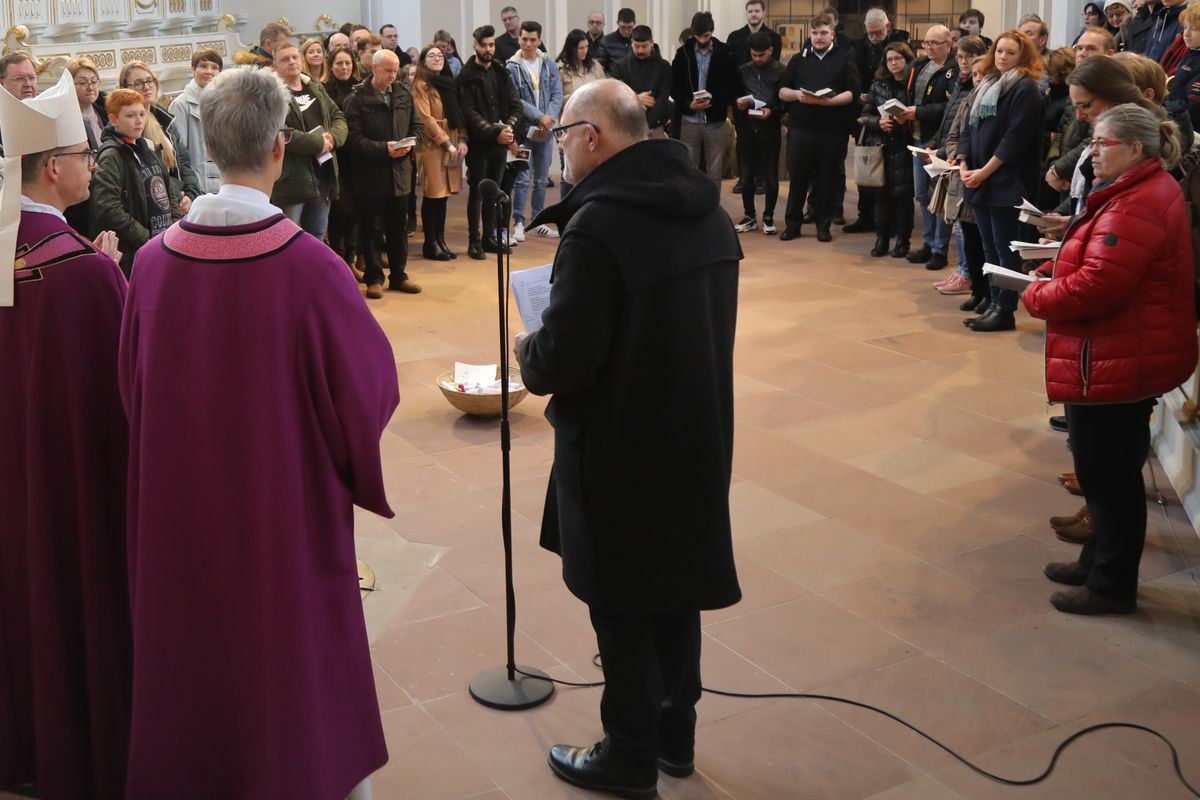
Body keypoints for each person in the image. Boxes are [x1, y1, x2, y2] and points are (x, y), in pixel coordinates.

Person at [119, 65, 397, 800]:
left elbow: (131, 391)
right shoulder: (312, 268)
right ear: (281, 148)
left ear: (208, 147)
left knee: (194, 656)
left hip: (179, 515)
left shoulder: (149, 265)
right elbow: (368, 391)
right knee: (290, 658)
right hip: (285, 514)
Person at [514, 78, 741, 799]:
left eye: (561, 138)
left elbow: (565, 363)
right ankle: (676, 737)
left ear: (591, 136)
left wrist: (529, 349)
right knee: (675, 588)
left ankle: (628, 755)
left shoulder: (601, 225)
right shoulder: (709, 211)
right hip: (696, 431)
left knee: (619, 601)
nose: (560, 151)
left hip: (619, 445)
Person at [0, 67, 131, 800]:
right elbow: (123, 393)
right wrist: (111, 279)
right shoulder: (82, 273)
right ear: (54, 169)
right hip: (73, 488)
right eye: (86, 153)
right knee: (74, 604)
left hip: (13, 476)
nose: (92, 162)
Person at [1024, 103, 1196, 615]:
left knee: (1111, 478)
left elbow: (1100, 285)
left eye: (1102, 143)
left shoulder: (1138, 202)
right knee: (1102, 470)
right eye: (1093, 142)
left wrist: (1038, 295)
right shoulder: (1134, 190)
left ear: (1136, 149)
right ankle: (1096, 561)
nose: (1091, 152)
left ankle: (1112, 585)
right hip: (1118, 349)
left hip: (1122, 353)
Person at [957, 30, 1045, 333]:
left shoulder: (1025, 89)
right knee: (988, 247)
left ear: (1023, 56)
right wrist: (964, 164)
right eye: (999, 51)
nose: (1002, 57)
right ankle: (994, 303)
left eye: (1010, 52)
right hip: (979, 178)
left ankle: (1005, 310)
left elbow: (1014, 139)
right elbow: (969, 127)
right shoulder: (989, 84)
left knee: (1004, 249)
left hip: (1006, 180)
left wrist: (984, 172)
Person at [345, 49, 423, 298]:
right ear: (374, 68)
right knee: (371, 229)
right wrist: (383, 150)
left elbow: (417, 126)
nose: (393, 75)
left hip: (400, 174)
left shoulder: (402, 93)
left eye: (395, 70)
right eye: (388, 70)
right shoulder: (357, 98)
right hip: (371, 175)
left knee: (398, 228)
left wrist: (412, 143)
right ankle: (374, 278)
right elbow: (353, 140)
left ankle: (399, 275)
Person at [778, 13, 861, 242]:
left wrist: (828, 101)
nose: (819, 37)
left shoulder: (844, 58)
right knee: (798, 179)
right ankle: (793, 225)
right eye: (815, 33)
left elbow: (852, 92)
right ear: (810, 35)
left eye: (823, 33)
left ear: (832, 34)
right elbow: (782, 90)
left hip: (831, 131)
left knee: (827, 178)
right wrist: (797, 94)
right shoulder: (798, 59)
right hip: (801, 129)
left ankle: (823, 225)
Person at [92, 88, 181, 275]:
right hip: (137, 251)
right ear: (114, 119)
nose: (139, 121)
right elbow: (107, 207)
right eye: (131, 115)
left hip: (163, 241)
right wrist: (146, 238)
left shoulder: (148, 147)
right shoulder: (111, 155)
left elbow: (167, 189)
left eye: (142, 114)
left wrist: (174, 225)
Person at [930, 35, 991, 298]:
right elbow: (953, 127)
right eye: (961, 57)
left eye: (981, 73)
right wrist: (948, 150)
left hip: (974, 169)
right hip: (960, 162)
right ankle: (965, 270)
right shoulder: (962, 88)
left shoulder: (983, 97)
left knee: (970, 229)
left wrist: (957, 154)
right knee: (959, 224)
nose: (964, 63)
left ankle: (970, 276)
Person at [457, 24, 523, 260]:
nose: (488, 49)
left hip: (499, 142)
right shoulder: (465, 76)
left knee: (494, 191)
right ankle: (474, 241)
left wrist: (509, 129)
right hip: (478, 144)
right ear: (474, 45)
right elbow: (469, 113)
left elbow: (516, 105)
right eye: (483, 45)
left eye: (491, 44)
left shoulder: (501, 71)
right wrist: (496, 132)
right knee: (477, 192)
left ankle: (488, 237)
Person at [271, 41, 346, 240]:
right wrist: (318, 142)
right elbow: (281, 133)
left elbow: (337, 115)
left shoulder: (315, 87)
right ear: (276, 66)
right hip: (292, 181)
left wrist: (333, 138)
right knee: (288, 240)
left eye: (295, 57)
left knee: (317, 237)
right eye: (285, 59)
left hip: (324, 176)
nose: (292, 62)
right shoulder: (272, 95)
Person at [846, 7, 911, 234]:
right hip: (868, 109)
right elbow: (852, 70)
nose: (873, 37)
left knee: (894, 175)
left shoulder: (900, 45)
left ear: (888, 27)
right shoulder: (858, 46)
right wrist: (860, 93)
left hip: (895, 119)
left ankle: (890, 221)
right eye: (870, 33)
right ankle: (866, 217)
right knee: (868, 167)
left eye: (877, 33)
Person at [899, 24, 958, 269]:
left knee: (939, 195)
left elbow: (949, 108)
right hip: (917, 138)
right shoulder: (918, 66)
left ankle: (939, 248)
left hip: (939, 142)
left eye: (935, 43)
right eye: (926, 43)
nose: (929, 47)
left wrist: (918, 112)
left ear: (949, 44)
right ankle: (927, 242)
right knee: (922, 194)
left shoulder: (953, 70)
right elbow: (910, 97)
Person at [508, 20, 563, 242]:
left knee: (541, 179)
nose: (528, 43)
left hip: (545, 132)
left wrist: (548, 117)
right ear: (519, 39)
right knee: (522, 179)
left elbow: (557, 93)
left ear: (539, 40)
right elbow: (516, 100)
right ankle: (519, 222)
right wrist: (540, 116)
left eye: (533, 40)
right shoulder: (512, 66)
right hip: (524, 132)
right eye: (524, 39)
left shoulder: (548, 63)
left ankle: (538, 220)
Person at [120, 61, 200, 213]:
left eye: (149, 80)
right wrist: (178, 196)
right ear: (126, 89)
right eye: (138, 83)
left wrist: (191, 194)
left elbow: (183, 163)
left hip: (181, 201)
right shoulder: (131, 127)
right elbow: (148, 173)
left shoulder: (165, 119)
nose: (146, 86)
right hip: (158, 206)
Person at [862, 41, 917, 258]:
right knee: (881, 198)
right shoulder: (878, 85)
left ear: (907, 59)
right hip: (882, 146)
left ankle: (903, 241)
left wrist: (906, 119)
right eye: (889, 59)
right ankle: (881, 239)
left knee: (903, 197)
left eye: (898, 58)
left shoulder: (913, 84)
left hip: (904, 145)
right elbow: (865, 115)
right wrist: (878, 123)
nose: (893, 63)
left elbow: (917, 112)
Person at [412, 44, 466, 261]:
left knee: (443, 198)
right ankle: (430, 243)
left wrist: (462, 139)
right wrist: (447, 142)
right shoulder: (421, 86)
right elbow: (426, 120)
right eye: (431, 56)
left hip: (451, 144)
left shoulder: (448, 84)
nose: (437, 59)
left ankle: (441, 240)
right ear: (423, 61)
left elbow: (459, 115)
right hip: (432, 147)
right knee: (433, 195)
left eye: (440, 56)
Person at [671, 12, 738, 185]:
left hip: (715, 120)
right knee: (690, 169)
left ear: (712, 31)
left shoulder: (726, 53)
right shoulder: (682, 53)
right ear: (693, 33)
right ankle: (692, 209)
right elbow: (674, 87)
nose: (702, 40)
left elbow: (732, 86)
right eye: (698, 36)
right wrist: (688, 103)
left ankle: (713, 209)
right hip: (689, 119)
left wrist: (714, 101)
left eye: (706, 35)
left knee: (715, 171)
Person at [731, 30, 784, 236]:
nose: (757, 59)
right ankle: (749, 216)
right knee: (746, 175)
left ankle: (768, 216)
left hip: (770, 129)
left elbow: (784, 101)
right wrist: (738, 103)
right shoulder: (743, 70)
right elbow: (735, 94)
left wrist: (772, 110)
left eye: (761, 55)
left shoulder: (781, 70)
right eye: (754, 55)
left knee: (770, 175)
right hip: (746, 128)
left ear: (770, 51)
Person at [323, 44, 363, 276]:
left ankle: (352, 255)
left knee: (356, 210)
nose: (344, 67)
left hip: (357, 157)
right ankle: (340, 259)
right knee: (339, 211)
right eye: (339, 63)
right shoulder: (325, 90)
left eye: (348, 63)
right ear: (332, 66)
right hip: (337, 157)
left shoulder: (359, 89)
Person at [557, 28, 607, 196]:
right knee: (569, 171)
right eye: (580, 48)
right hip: (570, 125)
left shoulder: (595, 66)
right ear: (571, 48)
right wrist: (580, 96)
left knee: (594, 170)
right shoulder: (561, 68)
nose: (584, 51)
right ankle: (566, 211)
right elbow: (556, 98)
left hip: (594, 124)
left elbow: (603, 90)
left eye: (586, 47)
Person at [169, 48, 223, 197]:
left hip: (223, 182)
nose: (209, 71)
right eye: (203, 66)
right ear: (193, 69)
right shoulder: (180, 104)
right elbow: (180, 152)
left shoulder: (225, 102)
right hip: (198, 186)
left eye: (214, 68)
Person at [65, 57, 107, 235]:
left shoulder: (105, 111)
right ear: (70, 85)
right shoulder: (67, 118)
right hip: (84, 196)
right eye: (82, 82)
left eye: (94, 81)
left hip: (108, 188)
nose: (90, 87)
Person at [610, 25, 671, 139]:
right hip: (628, 125)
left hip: (654, 125)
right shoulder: (620, 66)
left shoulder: (663, 66)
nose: (640, 50)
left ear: (652, 43)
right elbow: (615, 95)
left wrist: (648, 124)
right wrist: (635, 98)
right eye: (636, 46)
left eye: (644, 46)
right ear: (631, 43)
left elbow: (663, 98)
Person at [1165, 3, 1200, 132]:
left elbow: (1193, 108)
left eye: (1195, 29)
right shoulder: (1191, 53)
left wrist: (1164, 106)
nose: (1187, 34)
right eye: (1185, 28)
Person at [726, 0, 783, 67]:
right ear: (746, 14)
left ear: (764, 13)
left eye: (757, 11)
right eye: (750, 11)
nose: (753, 14)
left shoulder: (775, 37)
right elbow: (729, 62)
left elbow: (774, 66)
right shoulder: (734, 37)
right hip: (739, 76)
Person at [597, 7, 638, 73]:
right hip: (614, 79)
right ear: (617, 23)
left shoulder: (639, 40)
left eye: (629, 27)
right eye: (622, 27)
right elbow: (600, 68)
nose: (626, 31)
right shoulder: (606, 41)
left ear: (635, 24)